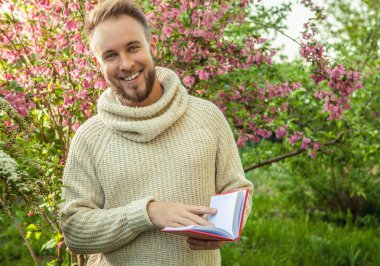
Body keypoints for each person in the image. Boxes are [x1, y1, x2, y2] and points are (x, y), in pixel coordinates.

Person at [59, 0, 253, 265]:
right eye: (110, 55)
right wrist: (147, 213)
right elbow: (74, 230)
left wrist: (229, 226)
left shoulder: (207, 117)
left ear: (152, 46)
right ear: (98, 62)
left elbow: (237, 188)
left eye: (133, 47)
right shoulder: (90, 137)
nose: (126, 63)